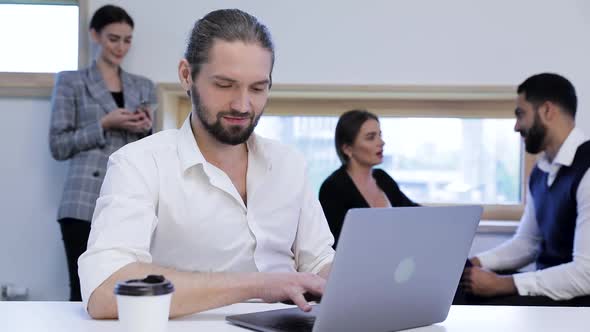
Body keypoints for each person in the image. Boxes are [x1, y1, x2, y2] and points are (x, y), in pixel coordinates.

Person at [78, 9, 335, 319]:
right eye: (224, 85)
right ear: (187, 75)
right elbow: (105, 292)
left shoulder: (289, 164)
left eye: (257, 88)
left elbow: (319, 261)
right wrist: (257, 286)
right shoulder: (139, 163)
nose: (242, 105)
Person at [49, 5, 156, 302]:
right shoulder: (71, 81)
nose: (121, 47)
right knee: (82, 289)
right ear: (94, 35)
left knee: (128, 288)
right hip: (82, 200)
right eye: (113, 38)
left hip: (129, 198)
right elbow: (58, 145)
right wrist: (104, 124)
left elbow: (153, 149)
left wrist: (145, 129)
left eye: (127, 39)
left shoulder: (144, 86)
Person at [458, 73, 590, 306]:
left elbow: (585, 274)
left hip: (579, 302)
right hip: (550, 296)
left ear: (547, 110)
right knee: (460, 293)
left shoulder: (587, 169)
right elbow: (527, 243)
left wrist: (503, 284)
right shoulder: (540, 172)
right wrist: (473, 264)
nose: (516, 126)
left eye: (521, 114)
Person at [319, 110, 418, 247]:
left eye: (380, 135)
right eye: (371, 137)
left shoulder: (382, 178)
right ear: (348, 149)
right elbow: (335, 244)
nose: (381, 142)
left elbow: (414, 213)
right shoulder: (333, 188)